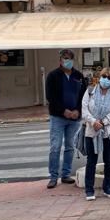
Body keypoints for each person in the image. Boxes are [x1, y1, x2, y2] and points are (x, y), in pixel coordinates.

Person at [45, 48, 86, 189]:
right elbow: (50, 97)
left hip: (75, 118)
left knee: (70, 147)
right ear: (60, 60)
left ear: (73, 60)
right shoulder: (53, 76)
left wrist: (78, 111)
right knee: (55, 147)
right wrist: (64, 111)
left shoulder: (79, 76)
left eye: (69, 58)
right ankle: (53, 177)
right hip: (58, 117)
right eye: (64, 58)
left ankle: (66, 174)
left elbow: (84, 97)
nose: (66, 61)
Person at [81, 68, 110, 201]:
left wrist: (103, 122)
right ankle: (89, 190)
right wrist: (93, 122)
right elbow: (84, 109)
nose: (106, 79)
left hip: (108, 131)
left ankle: (107, 187)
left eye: (109, 78)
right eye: (104, 76)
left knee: (109, 160)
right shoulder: (90, 91)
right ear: (99, 77)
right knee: (91, 160)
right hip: (92, 130)